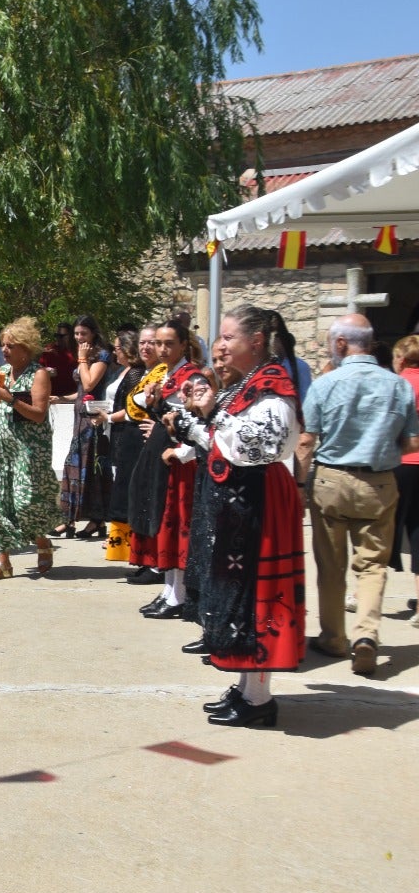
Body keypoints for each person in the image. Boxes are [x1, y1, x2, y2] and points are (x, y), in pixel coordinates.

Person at [172, 306, 304, 726]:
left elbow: (260, 443)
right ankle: (248, 688)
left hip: (258, 501)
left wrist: (210, 414)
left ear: (257, 342)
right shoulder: (244, 385)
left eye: (229, 338)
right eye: (220, 338)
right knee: (237, 597)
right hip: (235, 502)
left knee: (254, 598)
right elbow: (216, 440)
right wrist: (194, 422)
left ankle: (260, 700)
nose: (220, 346)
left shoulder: (272, 384)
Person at [299, 314, 419, 677]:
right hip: (379, 482)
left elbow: (307, 440)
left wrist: (298, 485)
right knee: (372, 566)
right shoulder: (398, 385)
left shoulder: (325, 384)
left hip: (332, 481)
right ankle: (366, 636)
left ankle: (334, 637)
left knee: (331, 566)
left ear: (340, 344)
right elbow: (411, 440)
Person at [128, 322, 202, 618]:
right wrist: (155, 404)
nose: (161, 349)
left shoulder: (193, 377)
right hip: (165, 461)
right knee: (164, 524)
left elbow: (196, 422)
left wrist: (181, 451)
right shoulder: (166, 376)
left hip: (182, 464)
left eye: (169, 343)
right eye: (158, 343)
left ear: (184, 344)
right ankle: (170, 590)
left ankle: (179, 594)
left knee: (177, 527)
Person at [0, 316, 59, 579]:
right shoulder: (2, 373)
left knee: (26, 503)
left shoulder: (39, 374)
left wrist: (11, 399)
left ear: (25, 348)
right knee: (1, 503)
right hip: (2, 448)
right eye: (3, 345)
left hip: (29, 450)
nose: (5, 350)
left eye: (11, 345)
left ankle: (41, 542)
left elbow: (38, 414)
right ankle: (3, 562)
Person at [98, 328, 152, 564]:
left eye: (117, 348)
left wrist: (108, 418)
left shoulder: (136, 374)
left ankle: (125, 540)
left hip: (126, 432)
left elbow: (133, 410)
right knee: (118, 482)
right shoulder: (125, 371)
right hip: (118, 432)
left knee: (126, 485)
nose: (114, 352)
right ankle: (118, 538)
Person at [55, 315, 111, 540]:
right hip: (79, 415)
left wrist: (81, 359)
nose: (79, 338)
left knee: (89, 469)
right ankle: (68, 518)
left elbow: (89, 384)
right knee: (73, 468)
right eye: (76, 334)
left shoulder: (101, 355)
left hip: (93, 418)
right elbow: (80, 390)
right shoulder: (85, 356)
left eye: (83, 334)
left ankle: (96, 519)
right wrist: (60, 398)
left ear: (94, 334)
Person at [392, 334, 419, 626]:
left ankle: (364, 597)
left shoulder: (398, 385)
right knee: (418, 531)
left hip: (400, 463)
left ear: (402, 358)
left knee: (381, 531)